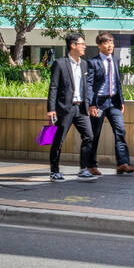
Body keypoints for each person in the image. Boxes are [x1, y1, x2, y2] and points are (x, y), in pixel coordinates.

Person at [46, 33, 98, 182]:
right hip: (65, 108)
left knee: (89, 136)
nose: (84, 46)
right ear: (73, 45)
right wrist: (51, 109)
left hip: (81, 108)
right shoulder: (60, 63)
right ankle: (54, 171)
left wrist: (88, 103)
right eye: (82, 44)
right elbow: (53, 87)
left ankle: (83, 169)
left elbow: (86, 87)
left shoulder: (84, 64)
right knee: (59, 140)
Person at [86, 32, 134, 175]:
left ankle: (122, 163)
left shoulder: (115, 60)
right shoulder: (93, 62)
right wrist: (91, 104)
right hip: (99, 103)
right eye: (106, 43)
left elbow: (117, 82)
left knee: (120, 130)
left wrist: (121, 100)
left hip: (114, 102)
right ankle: (91, 166)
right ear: (99, 45)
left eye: (112, 43)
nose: (110, 46)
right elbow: (89, 85)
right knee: (94, 134)